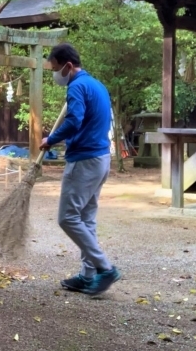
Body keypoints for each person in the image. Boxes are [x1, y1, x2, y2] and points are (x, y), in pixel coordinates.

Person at [39, 43, 121, 296]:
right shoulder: (97, 86)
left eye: (55, 69)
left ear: (68, 66)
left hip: (84, 160)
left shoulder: (76, 86)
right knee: (86, 218)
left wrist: (51, 140)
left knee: (68, 218)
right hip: (101, 158)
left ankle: (104, 268)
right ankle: (87, 275)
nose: (55, 74)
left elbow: (74, 121)